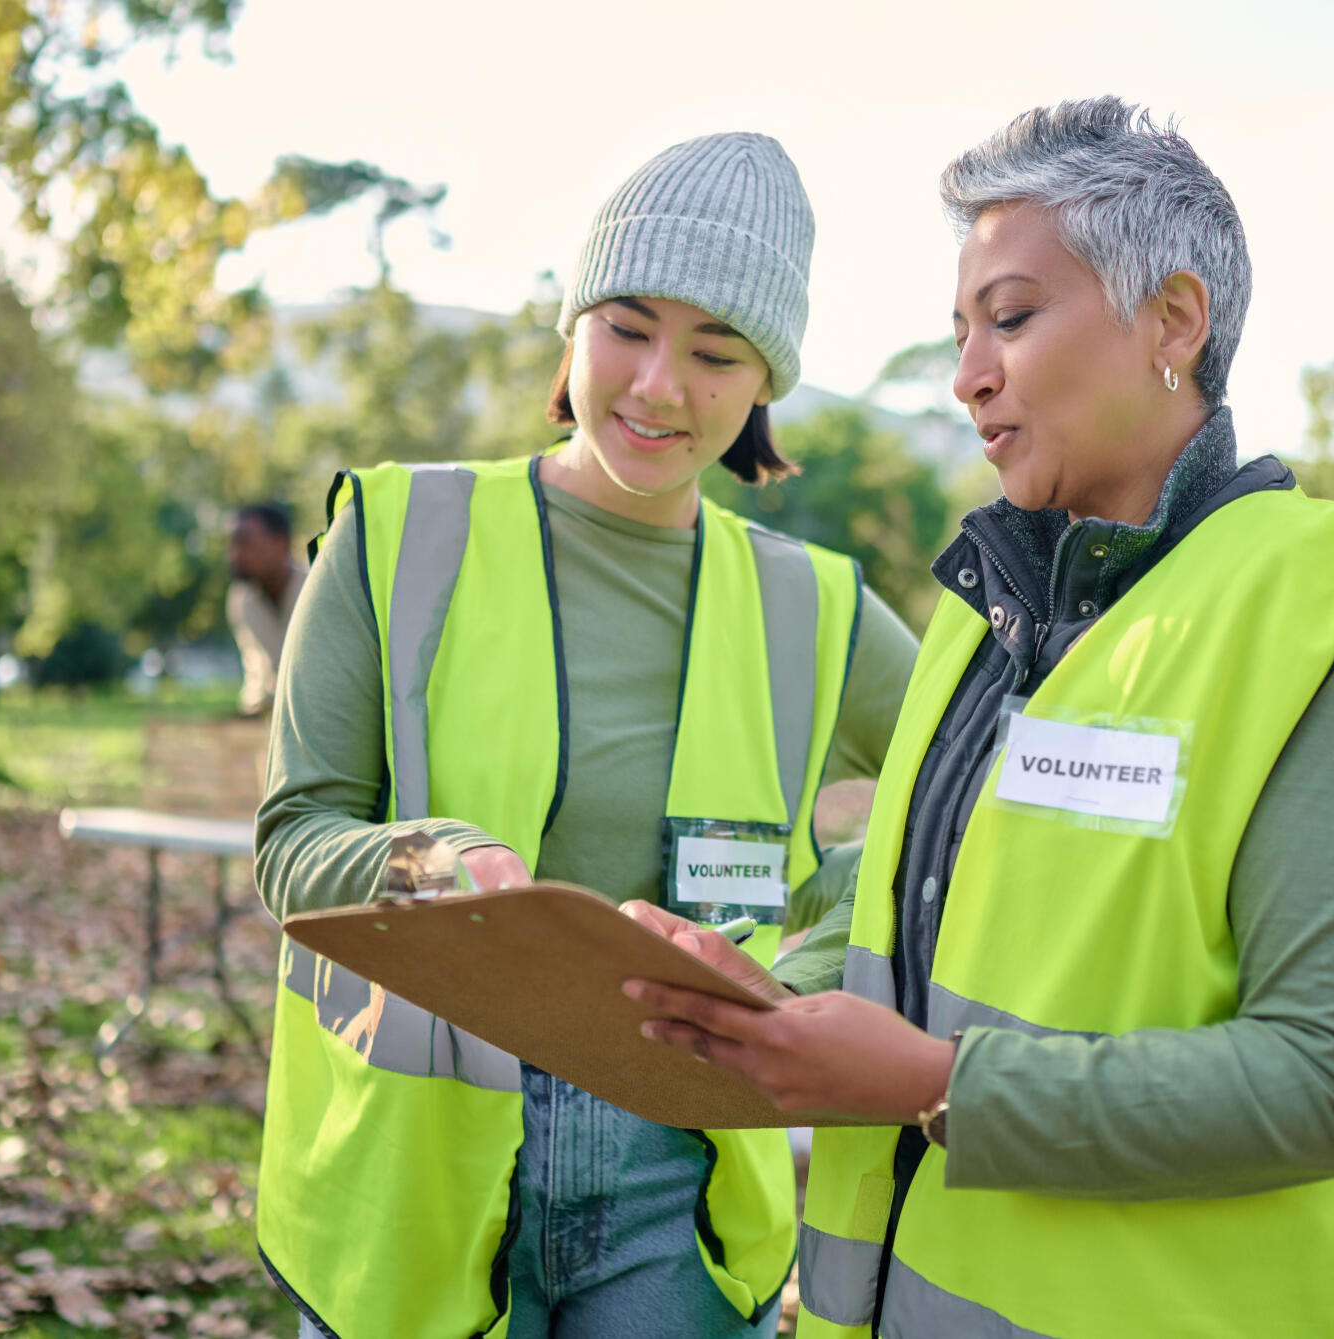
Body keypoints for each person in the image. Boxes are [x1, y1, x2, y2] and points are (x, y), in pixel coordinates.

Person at [625, 98, 1334, 1339]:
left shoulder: (1319, 614)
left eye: (1013, 317)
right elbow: (933, 932)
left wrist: (937, 1088)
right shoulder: (977, 617)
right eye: (960, 330)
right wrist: (762, 992)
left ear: (1174, 322)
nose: (966, 372)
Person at [251, 132, 919, 1339]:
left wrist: (801, 971)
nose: (660, 385)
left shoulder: (815, 606)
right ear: (571, 327)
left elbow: (965, 818)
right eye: (626, 326)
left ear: (764, 381)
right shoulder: (394, 534)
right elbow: (294, 840)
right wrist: (435, 862)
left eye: (716, 351)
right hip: (412, 1178)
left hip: (685, 1182)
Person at [225, 503, 306, 716]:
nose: (234, 555)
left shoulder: (316, 590)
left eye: (244, 542)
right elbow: (257, 674)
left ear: (280, 543)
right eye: (232, 544)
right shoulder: (241, 599)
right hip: (263, 721)